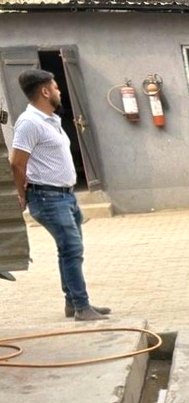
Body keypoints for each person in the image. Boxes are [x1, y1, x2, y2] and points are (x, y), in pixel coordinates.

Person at [9, 69, 109, 321]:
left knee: (69, 250)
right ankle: (82, 307)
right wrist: (20, 195)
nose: (59, 90)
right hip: (47, 197)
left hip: (66, 196)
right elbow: (17, 163)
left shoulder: (51, 120)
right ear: (44, 91)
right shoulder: (29, 123)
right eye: (55, 87)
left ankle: (73, 303)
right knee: (72, 249)